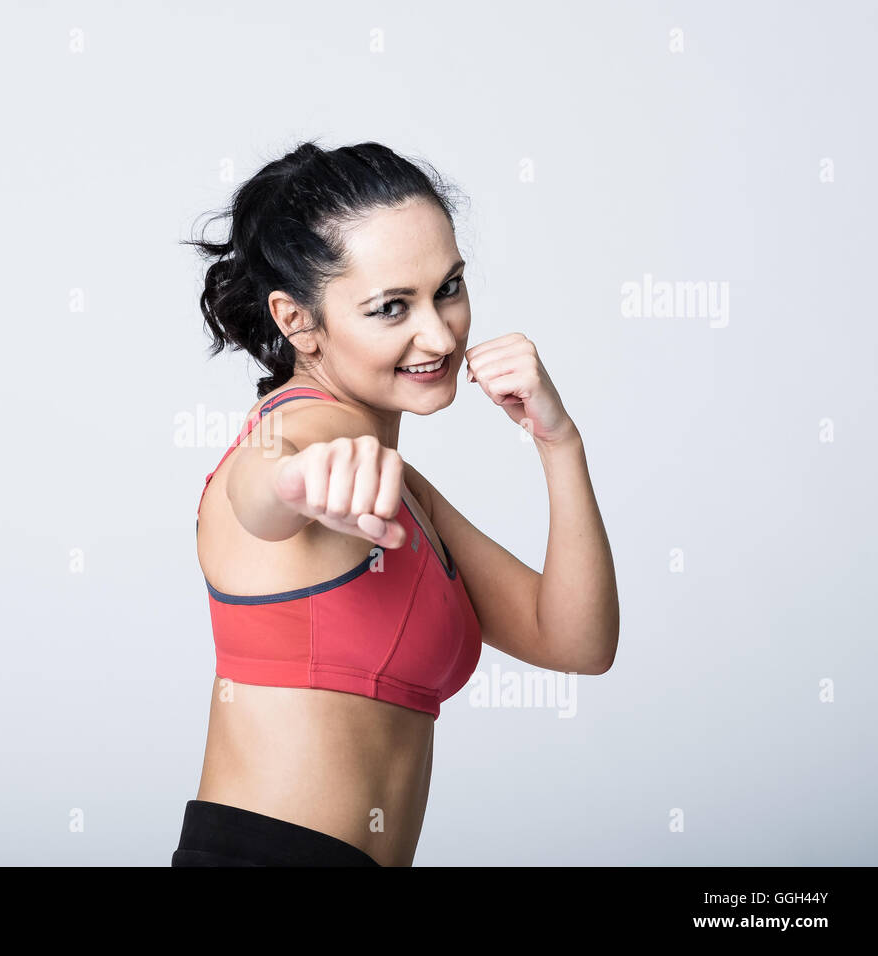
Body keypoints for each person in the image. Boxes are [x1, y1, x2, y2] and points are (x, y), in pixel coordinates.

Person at [172, 140, 619, 866]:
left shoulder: (403, 488)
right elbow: (259, 489)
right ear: (297, 321)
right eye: (390, 308)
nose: (440, 335)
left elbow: (575, 641)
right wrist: (297, 483)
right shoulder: (302, 435)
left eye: (448, 288)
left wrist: (559, 443)